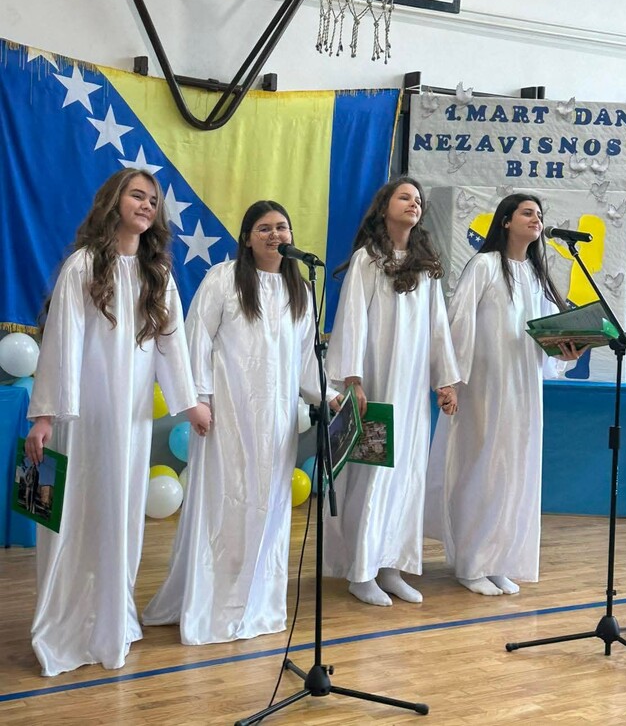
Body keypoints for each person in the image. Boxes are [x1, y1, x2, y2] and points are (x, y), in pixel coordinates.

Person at [24, 169, 210, 676]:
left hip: (130, 420)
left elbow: (172, 342)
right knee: (80, 513)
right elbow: (61, 340)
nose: (146, 205)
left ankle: (112, 617)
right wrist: (44, 416)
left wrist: (189, 403)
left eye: (153, 200)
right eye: (137, 195)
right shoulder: (84, 265)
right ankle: (69, 623)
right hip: (84, 415)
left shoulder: (158, 274)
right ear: (114, 201)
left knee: (121, 514)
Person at [143, 200, 339, 644]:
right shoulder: (224, 278)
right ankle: (212, 603)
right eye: (264, 228)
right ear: (247, 237)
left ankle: (254, 602)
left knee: (268, 510)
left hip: (277, 423)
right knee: (226, 505)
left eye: (282, 227)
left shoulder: (300, 291)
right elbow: (196, 339)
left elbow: (306, 361)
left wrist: (329, 395)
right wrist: (197, 400)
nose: (275, 235)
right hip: (227, 417)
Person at [425, 193, 582, 596]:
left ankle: (498, 560)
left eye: (539, 214)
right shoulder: (484, 265)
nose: (536, 219)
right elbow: (459, 321)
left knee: (514, 472)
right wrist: (450, 381)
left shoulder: (537, 275)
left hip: (523, 387)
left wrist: (566, 353)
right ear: (506, 221)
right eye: (527, 212)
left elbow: (545, 335)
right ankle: (471, 562)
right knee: (481, 469)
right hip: (484, 386)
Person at [323, 177, 460, 607]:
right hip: (377, 388)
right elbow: (351, 320)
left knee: (407, 477)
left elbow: (438, 326)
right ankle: (361, 571)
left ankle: (392, 568)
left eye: (418, 200)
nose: (414, 204)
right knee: (374, 475)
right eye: (405, 197)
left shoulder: (426, 266)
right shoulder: (368, 260)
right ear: (384, 207)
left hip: (413, 393)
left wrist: (445, 380)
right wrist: (352, 379)